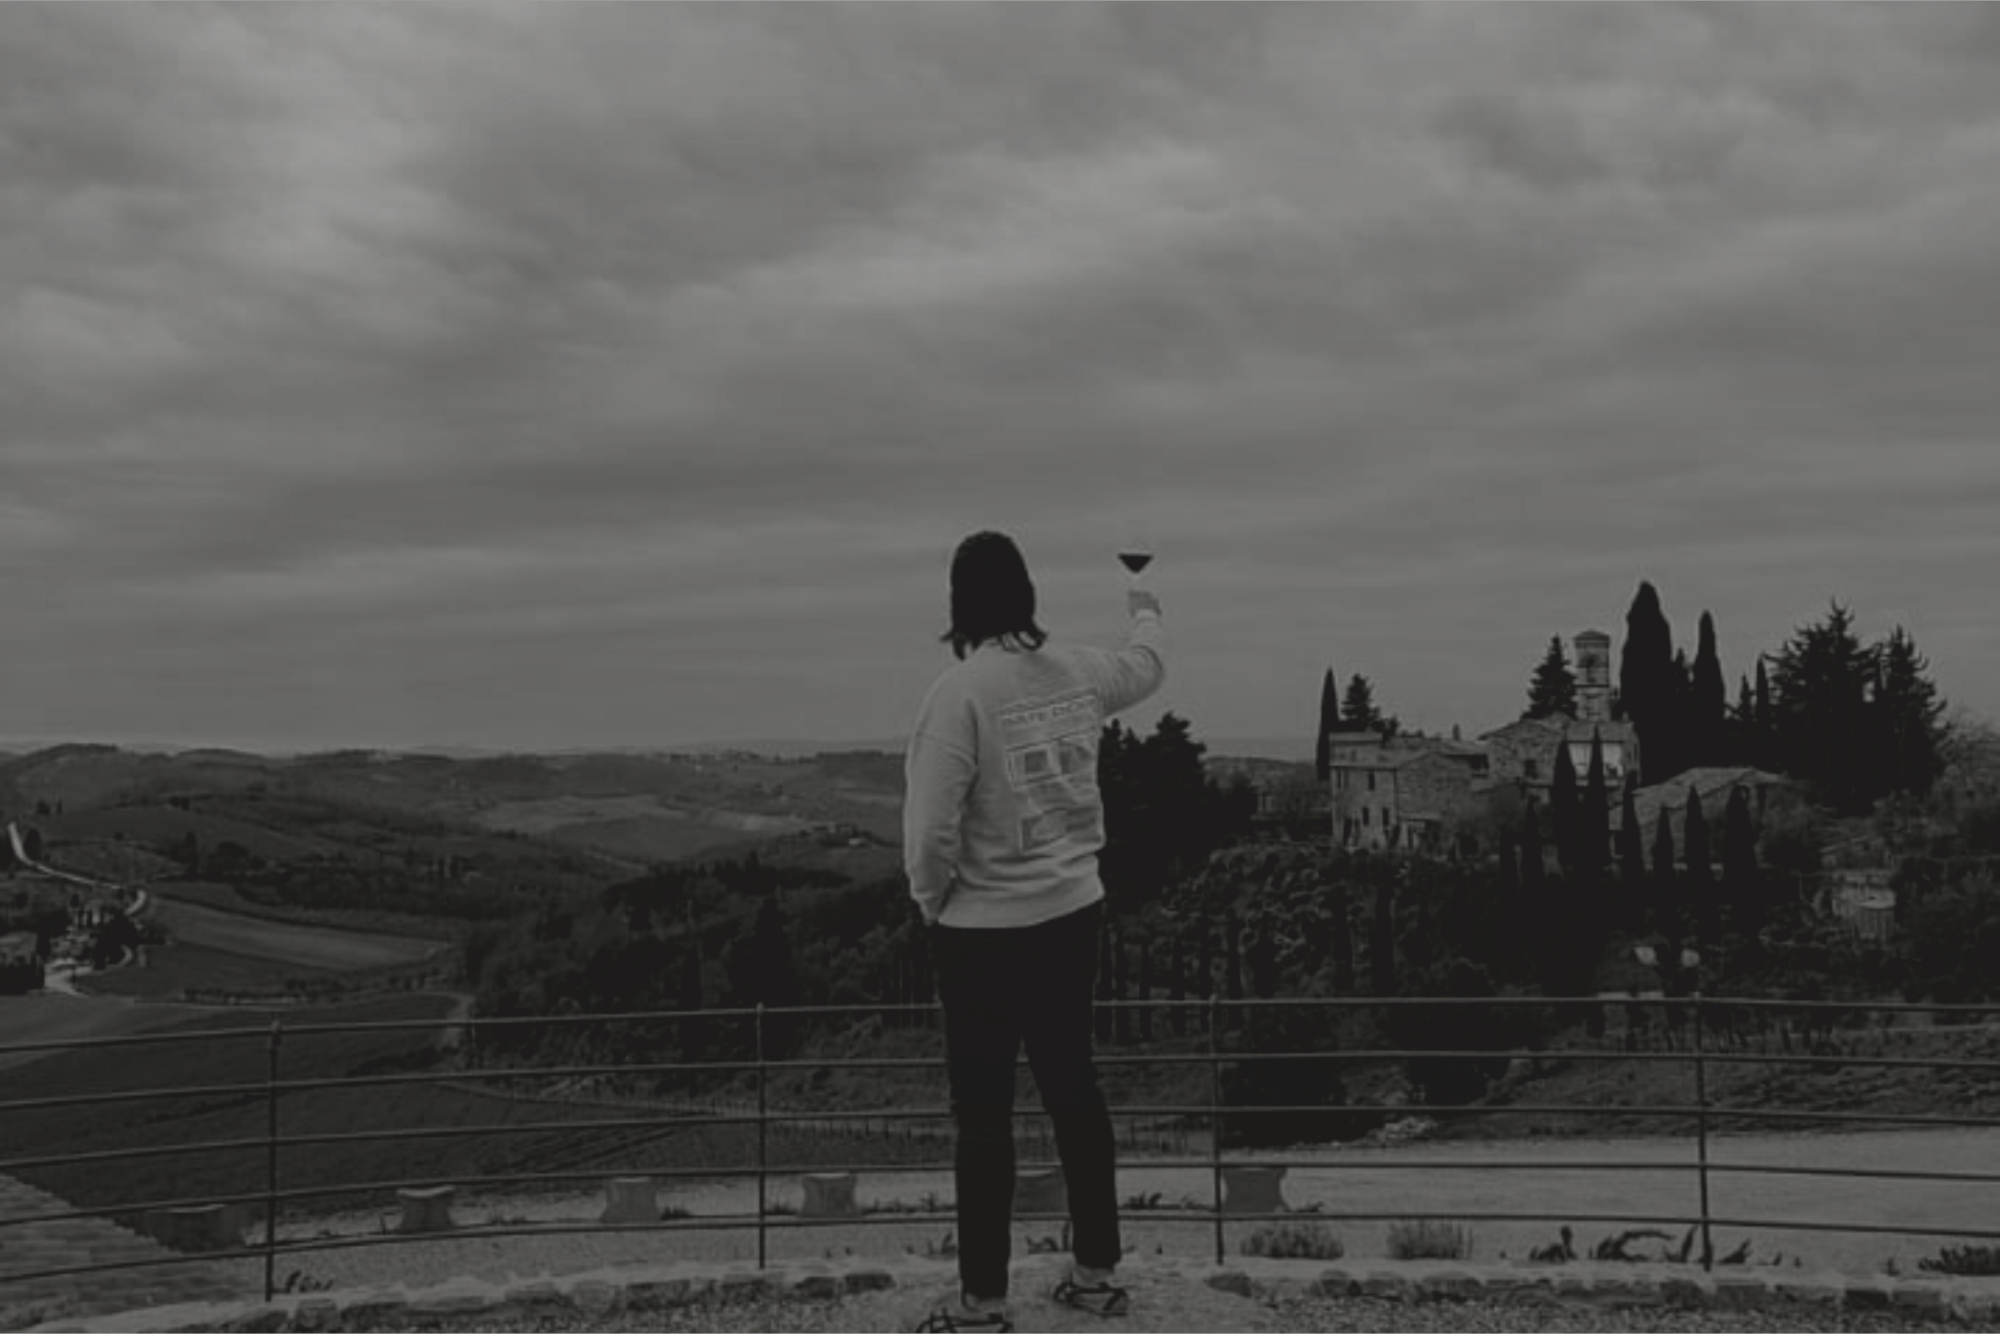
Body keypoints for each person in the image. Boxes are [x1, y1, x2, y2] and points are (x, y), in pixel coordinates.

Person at [903, 530, 1167, 1333]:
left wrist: (933, 903)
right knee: (1074, 1093)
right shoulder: (1080, 672)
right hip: (1071, 915)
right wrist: (1146, 605)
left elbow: (929, 837)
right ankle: (1094, 1275)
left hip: (980, 931)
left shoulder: (959, 694)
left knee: (982, 1114)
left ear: (959, 602)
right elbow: (1148, 666)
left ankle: (983, 1302)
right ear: (1026, 593)